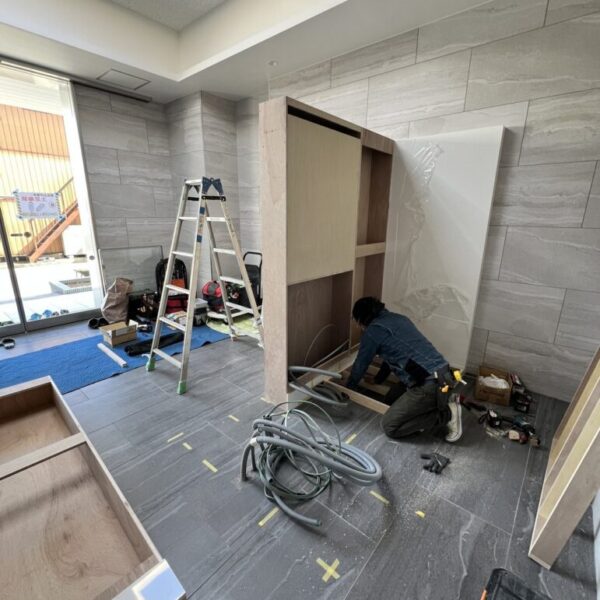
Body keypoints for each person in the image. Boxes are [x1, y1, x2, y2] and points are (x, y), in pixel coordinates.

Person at [345, 297, 462, 442]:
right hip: (444, 375)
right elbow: (392, 355)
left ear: (362, 319)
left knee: (390, 426)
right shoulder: (399, 319)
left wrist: (349, 389)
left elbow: (361, 363)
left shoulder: (373, 331)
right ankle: (442, 400)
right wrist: (378, 379)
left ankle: (448, 414)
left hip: (429, 384)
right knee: (390, 399)